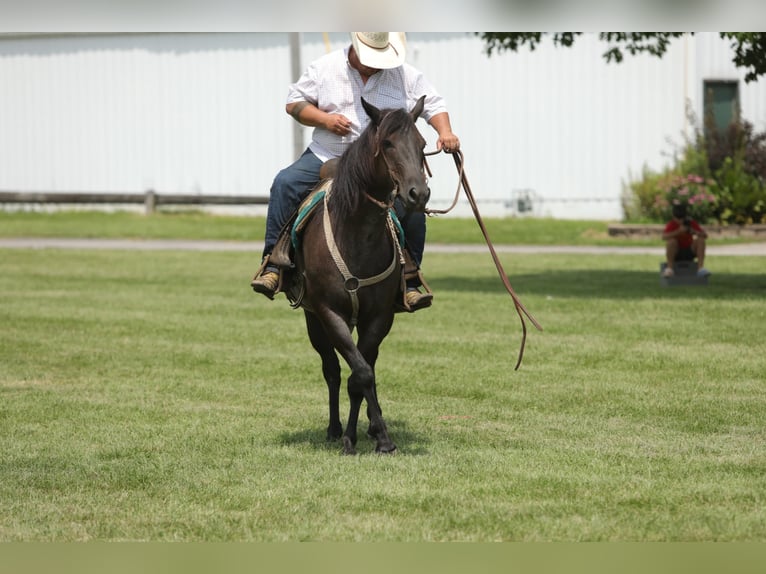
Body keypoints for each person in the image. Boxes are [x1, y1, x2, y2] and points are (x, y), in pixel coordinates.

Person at [251, 32, 460, 311]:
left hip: (377, 166)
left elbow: (433, 103)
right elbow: (294, 103)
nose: (376, 64)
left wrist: (445, 132)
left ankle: (409, 279)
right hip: (329, 154)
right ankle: (274, 264)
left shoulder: (403, 74)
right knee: (286, 183)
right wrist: (325, 119)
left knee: (412, 203)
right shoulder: (324, 68)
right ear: (356, 48)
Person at [662, 204, 711, 278]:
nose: (680, 221)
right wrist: (678, 232)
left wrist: (694, 231)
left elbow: (705, 235)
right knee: (671, 241)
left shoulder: (690, 223)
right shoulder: (672, 224)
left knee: (700, 240)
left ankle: (700, 268)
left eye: (682, 218)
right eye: (678, 219)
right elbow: (664, 237)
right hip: (676, 251)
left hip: (689, 250)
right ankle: (670, 269)